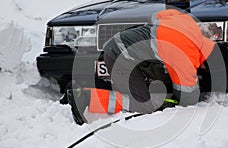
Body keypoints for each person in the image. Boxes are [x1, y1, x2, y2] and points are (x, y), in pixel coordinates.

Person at [68, 9, 216, 125]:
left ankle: (83, 88)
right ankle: (84, 97)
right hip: (120, 56)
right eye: (202, 67)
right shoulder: (186, 53)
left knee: (143, 89)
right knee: (144, 105)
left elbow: (158, 15)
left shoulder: (187, 25)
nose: (199, 68)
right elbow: (187, 95)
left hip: (120, 47)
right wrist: (179, 103)